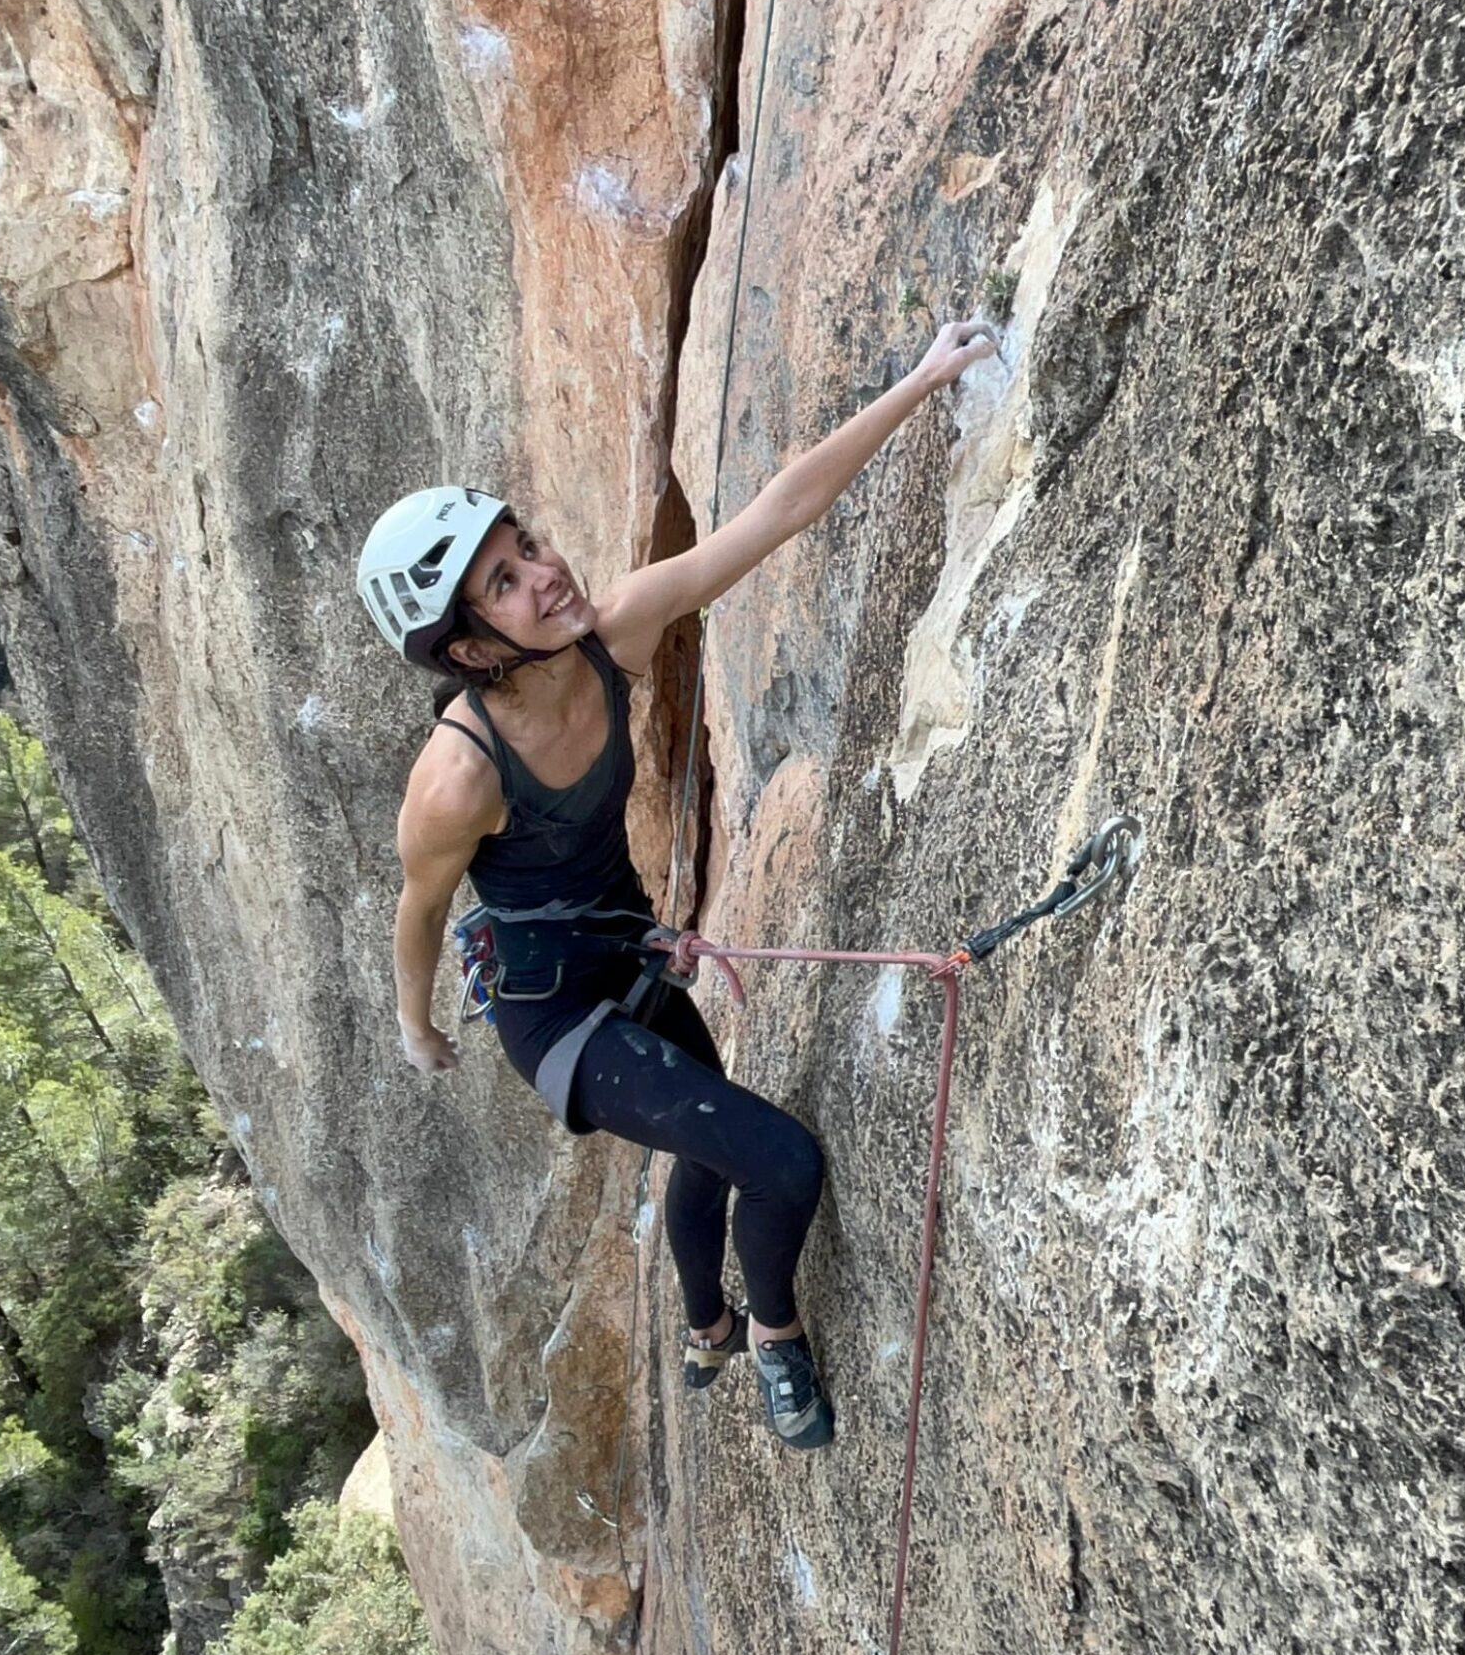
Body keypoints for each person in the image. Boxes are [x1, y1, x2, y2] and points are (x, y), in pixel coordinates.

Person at [356, 319, 997, 1452]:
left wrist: (923, 378)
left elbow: (775, 513)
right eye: (504, 582)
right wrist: (415, 1028)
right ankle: (769, 1338)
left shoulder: (612, 636)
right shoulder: (456, 778)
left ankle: (701, 1322)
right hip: (555, 1015)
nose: (546, 575)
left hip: (627, 953)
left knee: (711, 1149)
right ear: (466, 648)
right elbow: (417, 910)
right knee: (782, 1157)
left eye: (528, 546)